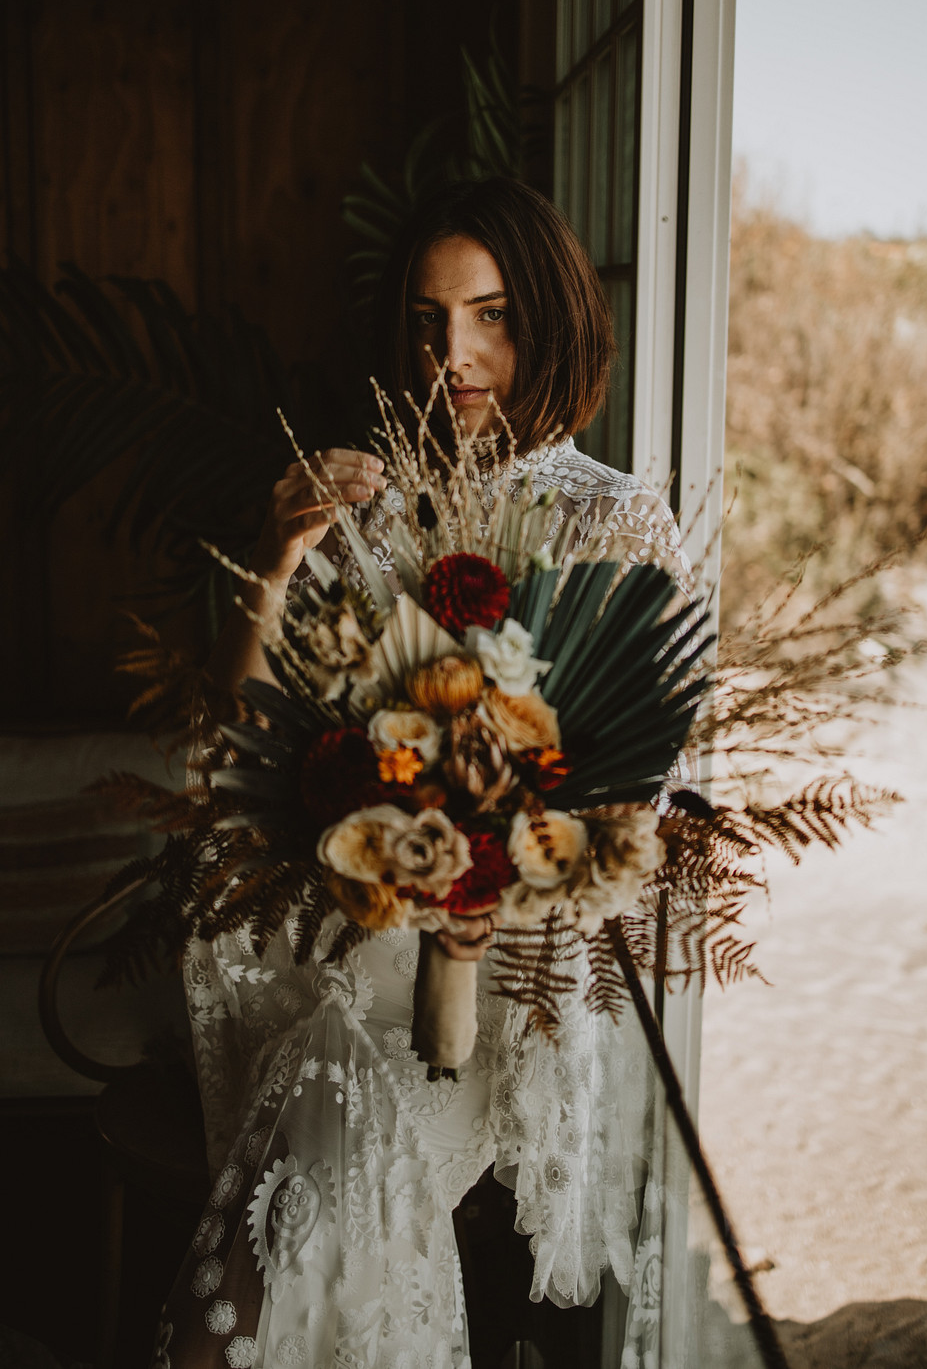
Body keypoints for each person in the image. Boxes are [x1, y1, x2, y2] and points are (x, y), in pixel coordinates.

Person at [156, 178, 691, 1369]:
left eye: (490, 314)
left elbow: (628, 814)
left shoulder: (621, 523)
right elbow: (242, 756)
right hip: (344, 942)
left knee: (233, 1312)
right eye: (427, 319)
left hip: (503, 978)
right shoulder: (371, 508)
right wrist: (274, 562)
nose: (454, 353)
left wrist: (482, 855)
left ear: (548, 319)